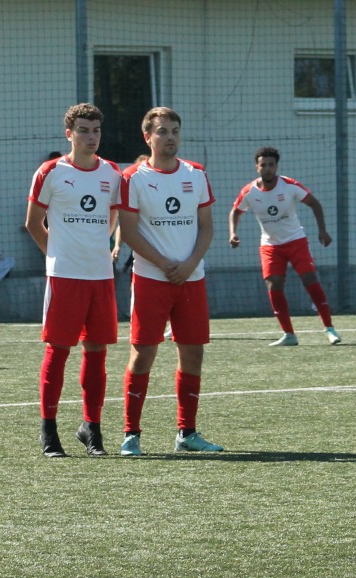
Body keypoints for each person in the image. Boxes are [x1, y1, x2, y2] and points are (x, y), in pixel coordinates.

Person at [116, 107, 222, 456]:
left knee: (193, 353)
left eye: (175, 130)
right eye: (162, 131)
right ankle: (131, 434)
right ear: (147, 137)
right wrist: (164, 264)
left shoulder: (196, 173)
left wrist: (189, 264)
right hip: (151, 278)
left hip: (191, 278)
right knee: (143, 353)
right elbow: (129, 231)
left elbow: (206, 227)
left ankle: (186, 433)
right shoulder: (133, 177)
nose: (170, 137)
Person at [26, 104, 122, 457]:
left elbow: (113, 216)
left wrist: (95, 247)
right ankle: (48, 431)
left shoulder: (112, 173)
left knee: (96, 353)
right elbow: (33, 223)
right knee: (58, 351)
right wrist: (57, 253)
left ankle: (91, 427)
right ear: (69, 134)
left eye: (95, 130)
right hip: (64, 276)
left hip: (100, 276)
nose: (91, 137)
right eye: (83, 130)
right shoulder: (51, 171)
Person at [229, 147, 341, 347]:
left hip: (296, 241)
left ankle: (329, 328)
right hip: (270, 245)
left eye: (271, 165)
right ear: (257, 167)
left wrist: (322, 230)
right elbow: (236, 211)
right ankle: (289, 334)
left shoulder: (289, 185)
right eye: (263, 165)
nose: (267, 168)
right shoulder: (249, 191)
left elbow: (314, 203)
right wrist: (233, 233)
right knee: (274, 285)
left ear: (276, 166)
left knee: (309, 278)